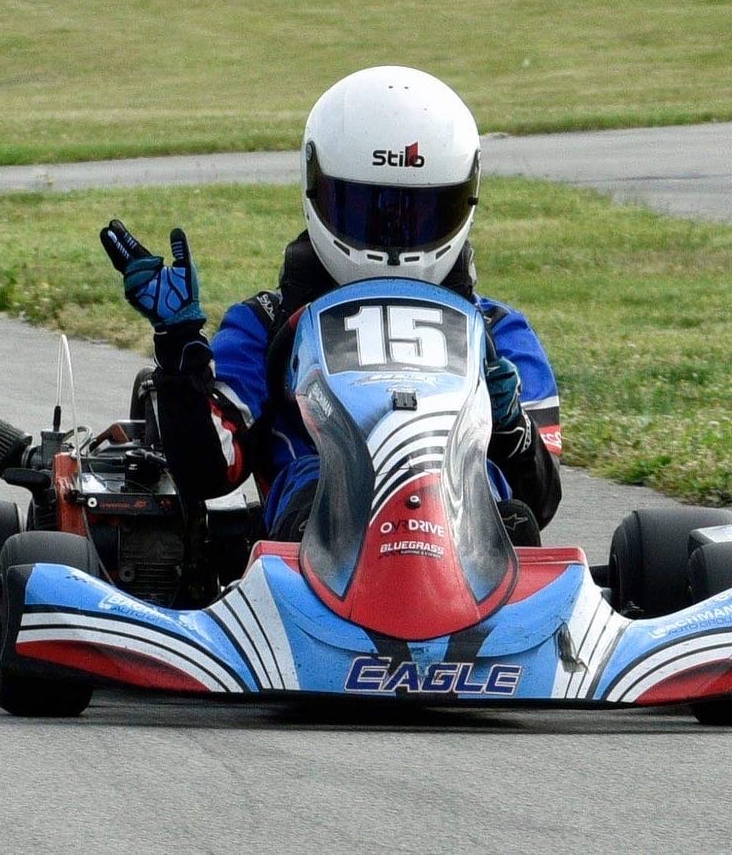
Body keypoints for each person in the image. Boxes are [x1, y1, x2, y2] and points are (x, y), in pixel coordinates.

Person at [100, 66, 561, 542]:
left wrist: (509, 423)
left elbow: (541, 501)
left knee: (509, 516)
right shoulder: (264, 325)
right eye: (367, 210)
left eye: (417, 214)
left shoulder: (500, 334)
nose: (391, 240)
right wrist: (180, 349)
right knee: (317, 487)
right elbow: (212, 471)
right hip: (308, 559)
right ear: (318, 189)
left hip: (469, 550)